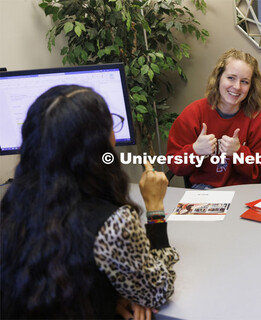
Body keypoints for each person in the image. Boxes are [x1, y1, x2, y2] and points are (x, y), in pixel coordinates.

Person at [0, 85, 179, 319]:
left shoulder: (14, 203)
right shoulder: (114, 223)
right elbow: (157, 292)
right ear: (98, 146)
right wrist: (155, 208)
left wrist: (108, 295)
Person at [167, 48, 261, 189]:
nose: (237, 87)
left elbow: (258, 169)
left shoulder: (258, 118)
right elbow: (175, 166)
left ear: (251, 86)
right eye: (231, 78)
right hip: (204, 190)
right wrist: (195, 150)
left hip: (244, 191)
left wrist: (238, 152)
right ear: (218, 78)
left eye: (245, 82)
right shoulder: (193, 113)